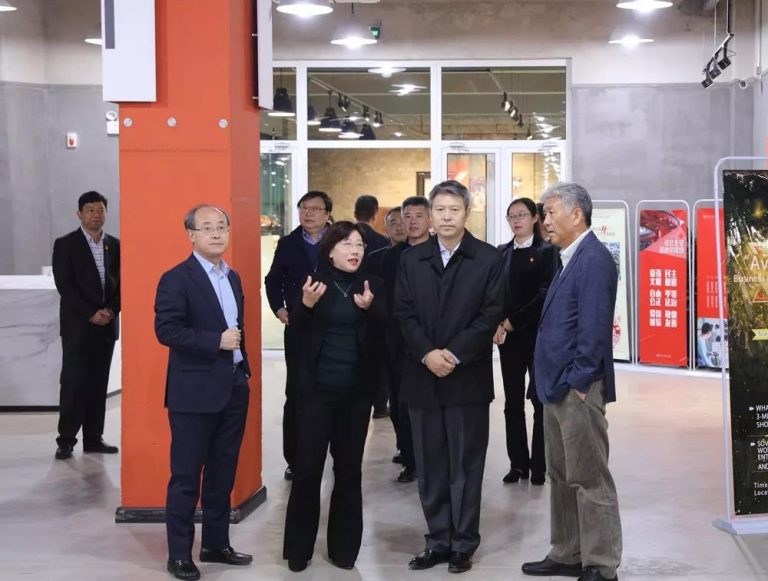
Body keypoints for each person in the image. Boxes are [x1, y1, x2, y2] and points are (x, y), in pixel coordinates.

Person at [394, 180, 504, 574]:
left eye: (453, 210)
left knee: (466, 466)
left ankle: (463, 543)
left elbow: (490, 314)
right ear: (430, 214)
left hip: (466, 379)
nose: (445, 217)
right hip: (422, 377)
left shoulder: (488, 258)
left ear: (466, 213)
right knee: (430, 466)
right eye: (439, 209)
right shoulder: (412, 259)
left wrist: (453, 354)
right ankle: (438, 540)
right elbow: (403, 313)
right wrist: (427, 353)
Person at [522, 183, 622, 581]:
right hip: (556, 386)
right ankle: (567, 552)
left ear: (576, 214)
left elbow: (594, 329)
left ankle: (601, 563)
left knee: (589, 476)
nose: (544, 220)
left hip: (577, 388)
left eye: (550, 212)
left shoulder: (594, 259)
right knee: (562, 475)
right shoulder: (567, 257)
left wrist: (579, 381)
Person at [155, 205, 253, 581]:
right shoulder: (176, 279)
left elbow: (238, 327)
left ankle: (216, 543)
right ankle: (179, 554)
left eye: (221, 227)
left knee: (222, 474)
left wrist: (242, 370)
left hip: (233, 387)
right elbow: (166, 330)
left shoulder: (233, 277)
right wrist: (216, 341)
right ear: (191, 235)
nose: (215, 233)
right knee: (185, 477)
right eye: (207, 227)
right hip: (193, 392)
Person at [282, 221, 386, 573]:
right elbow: (296, 337)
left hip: (356, 395)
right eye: (347, 244)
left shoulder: (373, 286)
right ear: (330, 251)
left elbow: (387, 335)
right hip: (316, 395)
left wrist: (371, 310)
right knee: (308, 470)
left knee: (349, 471)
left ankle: (344, 550)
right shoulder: (313, 285)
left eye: (359, 245)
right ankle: (299, 550)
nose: (355, 251)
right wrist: (306, 306)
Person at [265, 191, 332, 481]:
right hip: (299, 328)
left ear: (327, 214)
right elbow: (272, 281)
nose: (308, 213)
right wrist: (279, 309)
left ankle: (333, 452)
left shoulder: (341, 241)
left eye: (315, 209)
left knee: (333, 391)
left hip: (334, 328)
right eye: (304, 208)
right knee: (296, 392)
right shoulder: (288, 244)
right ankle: (294, 458)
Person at [52, 190, 120, 460]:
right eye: (90, 210)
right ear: (79, 214)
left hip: (106, 326)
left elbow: (122, 283)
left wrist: (111, 310)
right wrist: (91, 313)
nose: (96, 215)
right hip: (78, 327)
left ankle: (93, 438)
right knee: (73, 382)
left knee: (98, 384)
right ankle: (66, 440)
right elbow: (64, 285)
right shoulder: (65, 244)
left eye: (100, 209)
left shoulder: (115, 245)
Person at [494, 197, 556, 486]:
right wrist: (497, 324)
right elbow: (494, 294)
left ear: (535, 218)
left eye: (521, 215)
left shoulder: (548, 252)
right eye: (511, 216)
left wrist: (512, 320)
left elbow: (545, 295)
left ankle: (539, 466)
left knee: (540, 403)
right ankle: (518, 464)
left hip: (538, 338)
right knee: (512, 403)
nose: (516, 220)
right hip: (509, 340)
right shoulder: (502, 253)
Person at [377, 197, 432, 483]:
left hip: (433, 342)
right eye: (406, 216)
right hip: (397, 342)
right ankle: (410, 458)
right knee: (401, 403)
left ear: (430, 219)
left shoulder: (441, 253)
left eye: (417, 216)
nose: (410, 222)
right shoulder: (390, 257)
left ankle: (431, 458)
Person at [365, 206, 406, 418]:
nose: (399, 227)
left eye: (402, 222)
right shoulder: (374, 259)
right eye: (393, 223)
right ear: (386, 228)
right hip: (383, 328)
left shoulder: (423, 256)